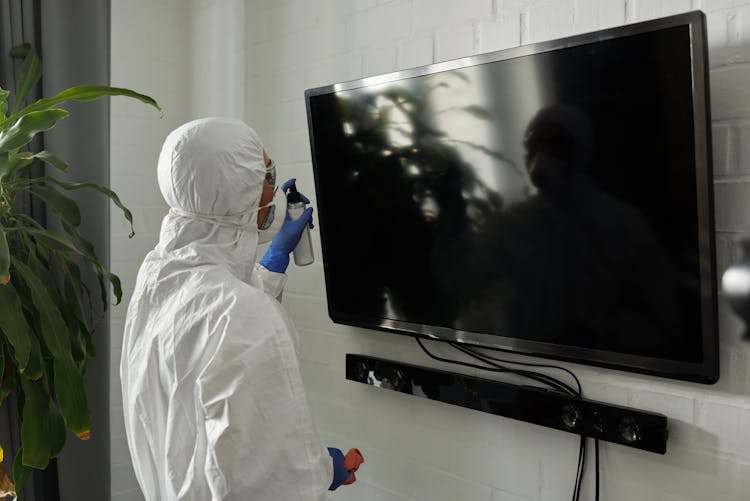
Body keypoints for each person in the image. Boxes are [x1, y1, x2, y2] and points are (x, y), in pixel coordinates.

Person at [120, 117, 363, 500]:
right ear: (234, 191)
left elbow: (212, 332)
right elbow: (272, 483)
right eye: (264, 174)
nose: (272, 186)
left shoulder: (160, 275)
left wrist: (275, 258)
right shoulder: (242, 314)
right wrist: (319, 468)